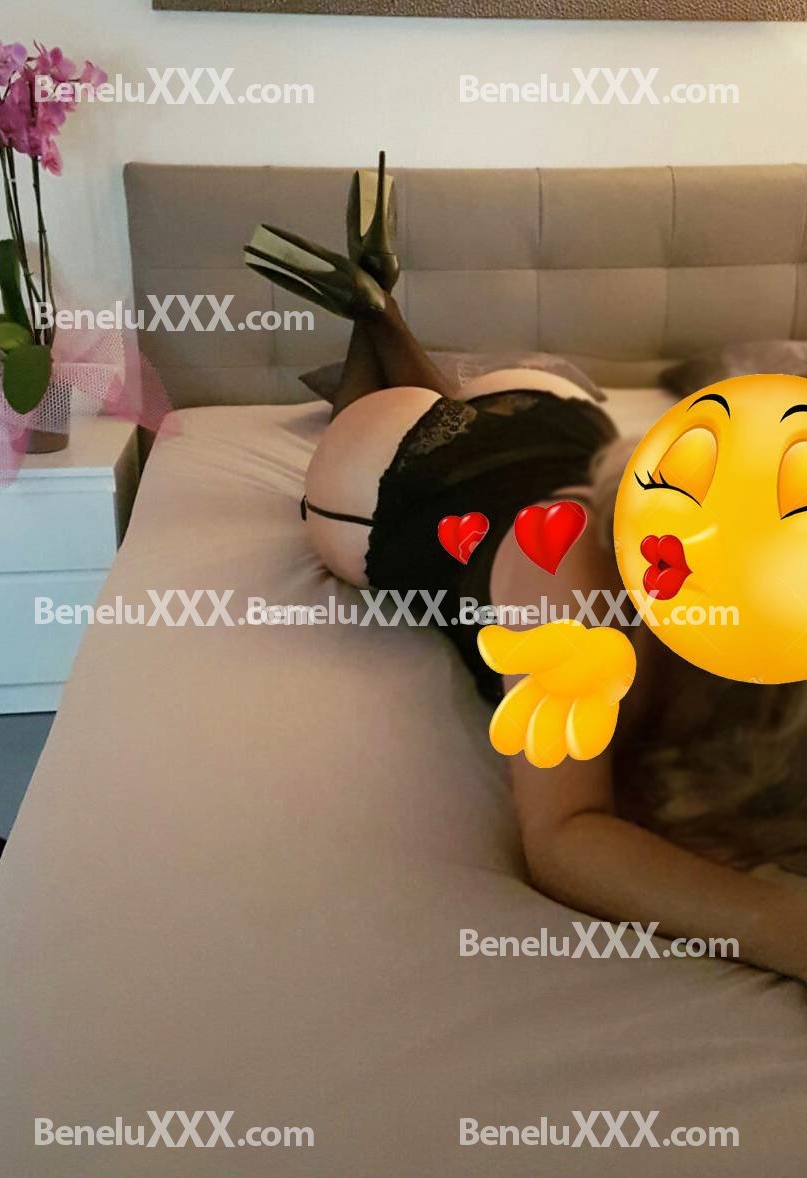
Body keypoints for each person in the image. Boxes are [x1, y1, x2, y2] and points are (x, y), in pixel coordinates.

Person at [246, 153, 807, 983]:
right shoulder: (576, 589)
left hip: (561, 423)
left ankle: (377, 302)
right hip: (417, 487)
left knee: (454, 411)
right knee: (385, 414)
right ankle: (374, 314)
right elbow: (563, 836)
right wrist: (779, 927)